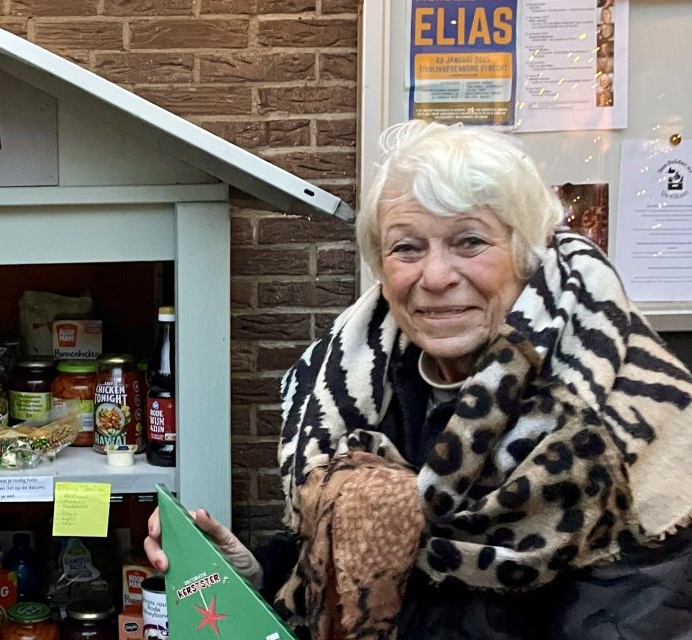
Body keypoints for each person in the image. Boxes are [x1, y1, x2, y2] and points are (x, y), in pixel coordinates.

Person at [145, 121, 692, 639]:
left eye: (470, 242)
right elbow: (348, 553)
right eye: (407, 247)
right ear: (382, 269)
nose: (434, 277)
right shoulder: (361, 387)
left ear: (527, 257)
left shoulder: (623, 425)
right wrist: (254, 573)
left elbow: (641, 613)